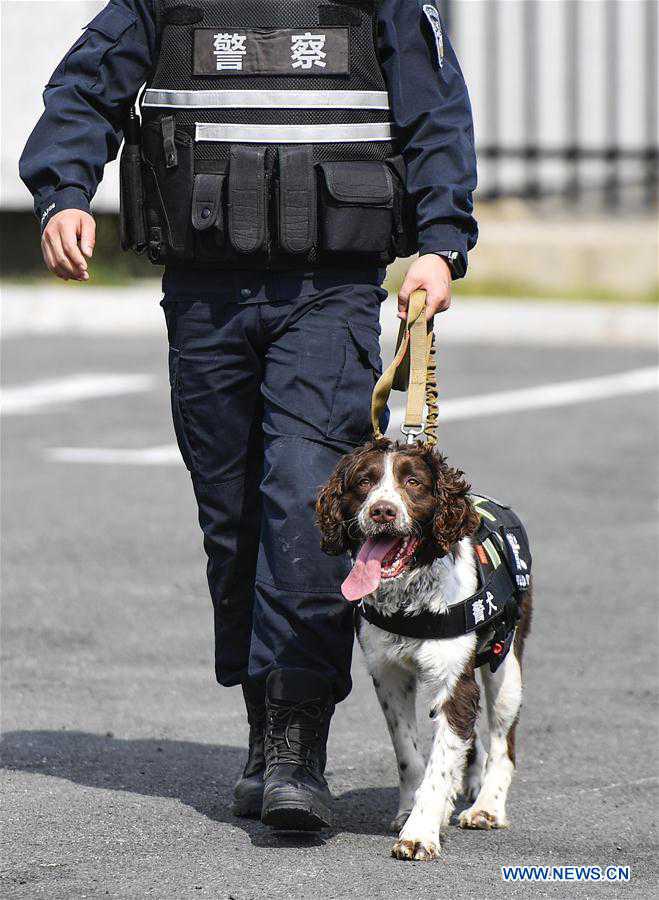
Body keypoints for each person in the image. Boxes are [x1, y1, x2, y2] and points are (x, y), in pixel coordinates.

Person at [20, 0, 477, 832]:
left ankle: (299, 742)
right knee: (230, 521)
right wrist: (62, 194)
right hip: (203, 295)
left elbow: (435, 112)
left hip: (328, 293)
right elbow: (84, 91)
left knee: (306, 506)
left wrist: (441, 243)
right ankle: (264, 727)